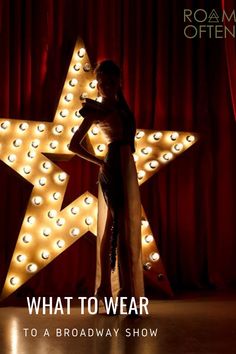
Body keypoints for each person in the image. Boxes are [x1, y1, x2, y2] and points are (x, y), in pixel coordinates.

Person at [69, 60, 144, 311]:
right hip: (113, 165)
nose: (107, 86)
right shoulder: (96, 110)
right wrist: (99, 161)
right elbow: (73, 145)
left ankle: (116, 292)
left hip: (127, 165)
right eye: (102, 82)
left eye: (111, 81)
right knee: (117, 227)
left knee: (122, 226)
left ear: (118, 82)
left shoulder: (121, 106)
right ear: (98, 86)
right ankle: (115, 291)